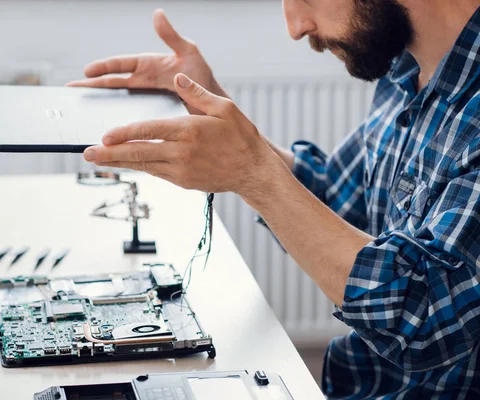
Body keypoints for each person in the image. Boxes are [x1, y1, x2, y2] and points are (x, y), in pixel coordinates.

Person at [68, 1, 480, 398]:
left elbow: (424, 320)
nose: (295, 25)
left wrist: (254, 174)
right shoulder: (406, 72)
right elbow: (335, 197)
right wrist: (213, 105)